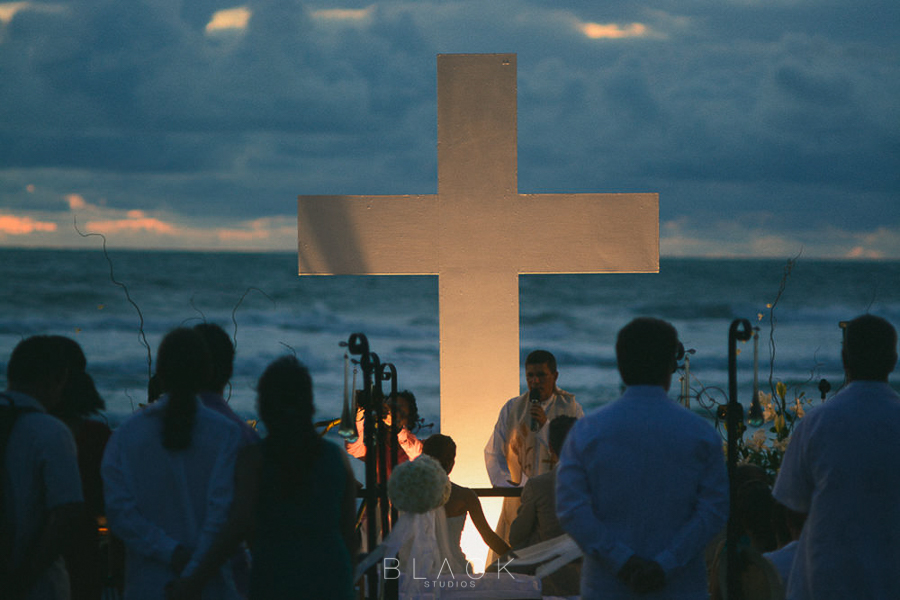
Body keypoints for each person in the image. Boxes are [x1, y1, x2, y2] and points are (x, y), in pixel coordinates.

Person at [556, 317, 729, 599]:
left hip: (607, 586)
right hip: (680, 587)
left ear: (621, 366)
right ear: (669, 365)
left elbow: (571, 510)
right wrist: (667, 563)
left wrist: (622, 560)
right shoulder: (699, 433)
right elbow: (714, 510)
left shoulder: (588, 431)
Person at [167, 355, 359, 600]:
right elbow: (349, 536)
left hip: (276, 578)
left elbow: (237, 526)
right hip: (332, 578)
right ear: (309, 404)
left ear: (265, 406)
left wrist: (193, 580)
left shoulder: (255, 459)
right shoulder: (336, 459)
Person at [102, 328, 243, 600]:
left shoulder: (126, 435)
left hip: (148, 585)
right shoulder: (227, 434)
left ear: (161, 373)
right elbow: (223, 516)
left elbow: (120, 513)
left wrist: (170, 551)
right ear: (207, 373)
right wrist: (193, 570)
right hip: (210, 586)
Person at [772, 314, 900, 600]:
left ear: (845, 359)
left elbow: (793, 505)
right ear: (893, 360)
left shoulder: (817, 423)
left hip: (826, 579)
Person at [1, 335, 85, 600]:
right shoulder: (50, 431)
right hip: (37, 587)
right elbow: (68, 512)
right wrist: (23, 578)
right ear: (58, 378)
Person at [484, 350, 583, 563]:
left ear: (555, 376)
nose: (535, 381)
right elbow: (493, 452)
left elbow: (577, 451)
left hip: (554, 496)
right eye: (530, 376)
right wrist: (508, 486)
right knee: (514, 556)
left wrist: (545, 426)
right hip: (518, 496)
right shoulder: (513, 408)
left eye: (541, 375)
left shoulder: (570, 408)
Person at [47, 336, 114, 600]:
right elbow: (108, 504)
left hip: (34, 547)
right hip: (87, 549)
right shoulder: (98, 435)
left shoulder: (29, 434)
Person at [508, 415, 581, 598]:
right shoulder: (598, 484)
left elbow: (516, 536)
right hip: (590, 580)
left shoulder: (538, 485)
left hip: (552, 582)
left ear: (550, 448)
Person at [421, 434, 510, 570]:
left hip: (421, 567)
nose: (449, 463)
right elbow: (488, 536)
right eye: (447, 458)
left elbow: (489, 537)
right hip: (454, 568)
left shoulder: (412, 494)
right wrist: (519, 559)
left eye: (451, 458)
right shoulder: (465, 496)